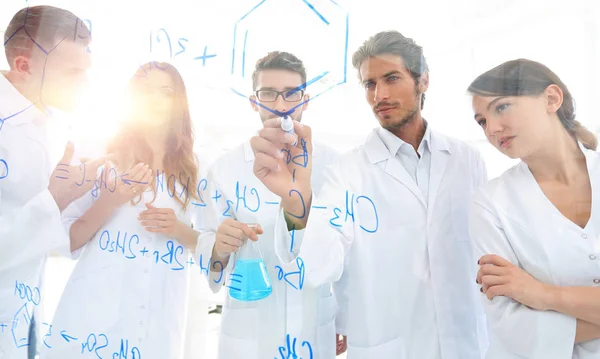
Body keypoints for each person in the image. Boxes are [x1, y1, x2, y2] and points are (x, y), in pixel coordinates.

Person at [250, 30, 490, 358]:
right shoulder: (349, 172)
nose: (380, 95)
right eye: (369, 84)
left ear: (423, 82)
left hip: (468, 343)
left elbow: (485, 248)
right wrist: (296, 199)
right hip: (389, 345)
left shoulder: (466, 159)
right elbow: (320, 264)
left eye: (392, 78)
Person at [43, 62, 206, 359]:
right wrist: (110, 201)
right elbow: (65, 240)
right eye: (145, 91)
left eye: (166, 91)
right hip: (92, 322)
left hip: (159, 321)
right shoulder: (100, 155)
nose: (155, 99)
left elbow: (212, 248)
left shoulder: (197, 168)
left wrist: (179, 229)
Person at [196, 51, 340, 358]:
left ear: (306, 99)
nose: (280, 105)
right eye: (268, 94)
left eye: (291, 94)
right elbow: (209, 260)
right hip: (249, 332)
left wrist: (348, 316)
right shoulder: (223, 169)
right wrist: (220, 246)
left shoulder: (335, 167)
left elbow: (348, 251)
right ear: (253, 100)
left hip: (313, 328)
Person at [468, 58, 600, 358]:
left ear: (551, 99)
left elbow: (536, 319)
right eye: (482, 121)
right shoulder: (490, 204)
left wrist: (543, 295)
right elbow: (513, 329)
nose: (492, 129)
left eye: (501, 107)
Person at [0, 6, 106, 359]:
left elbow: (59, 234)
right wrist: (54, 200)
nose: (86, 84)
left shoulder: (53, 125)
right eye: (73, 72)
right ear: (24, 65)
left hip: (24, 317)